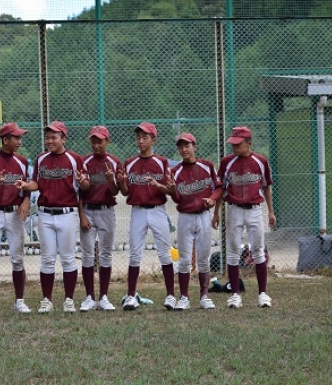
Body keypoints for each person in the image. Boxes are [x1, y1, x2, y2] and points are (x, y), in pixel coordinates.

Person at [15, 121, 90, 314]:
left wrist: (83, 182)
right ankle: (46, 300)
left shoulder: (74, 159)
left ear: (63, 139)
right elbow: (37, 184)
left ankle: (69, 300)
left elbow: (85, 187)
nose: (49, 141)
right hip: (45, 214)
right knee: (47, 258)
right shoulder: (41, 159)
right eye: (47, 137)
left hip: (67, 213)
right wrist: (26, 185)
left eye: (54, 137)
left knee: (68, 258)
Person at [212, 126, 276, 309]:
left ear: (249, 143)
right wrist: (216, 212)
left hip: (254, 209)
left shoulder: (260, 162)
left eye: (238, 144)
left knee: (258, 250)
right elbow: (221, 188)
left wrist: (270, 211)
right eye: (233, 143)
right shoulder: (227, 162)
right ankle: (235, 295)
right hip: (234, 209)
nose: (234, 147)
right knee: (233, 251)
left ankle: (263, 294)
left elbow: (266, 187)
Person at [118, 122, 176, 311]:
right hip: (138, 211)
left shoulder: (161, 162)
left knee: (164, 252)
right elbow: (125, 192)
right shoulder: (129, 163)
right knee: (135, 253)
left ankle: (170, 295)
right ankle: (131, 296)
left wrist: (159, 186)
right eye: (138, 137)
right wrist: (121, 182)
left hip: (158, 210)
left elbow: (170, 190)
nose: (141, 141)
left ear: (153, 140)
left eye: (145, 137)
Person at [0, 122, 32, 316]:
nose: (19, 141)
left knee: (17, 258)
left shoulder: (22, 161)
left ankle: (20, 301)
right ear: (5, 140)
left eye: (20, 137)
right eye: (16, 137)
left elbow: (27, 185)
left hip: (14, 213)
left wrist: (26, 200)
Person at [168, 133, 223, 310]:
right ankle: (184, 297)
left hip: (204, 216)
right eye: (180, 146)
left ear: (194, 147)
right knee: (185, 260)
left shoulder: (206, 166)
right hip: (185, 217)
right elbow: (177, 199)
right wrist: (172, 190)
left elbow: (219, 187)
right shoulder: (175, 171)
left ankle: (204, 296)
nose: (184, 149)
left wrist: (213, 199)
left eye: (187, 145)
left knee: (203, 259)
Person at [78, 126, 121, 312]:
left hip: (106, 211)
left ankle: (103, 296)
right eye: (93, 141)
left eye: (100, 141)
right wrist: (81, 215)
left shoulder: (114, 162)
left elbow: (115, 191)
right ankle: (89, 297)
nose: (96, 145)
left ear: (107, 141)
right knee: (87, 254)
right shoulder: (84, 161)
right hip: (88, 210)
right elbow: (79, 192)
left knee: (106, 254)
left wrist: (110, 179)